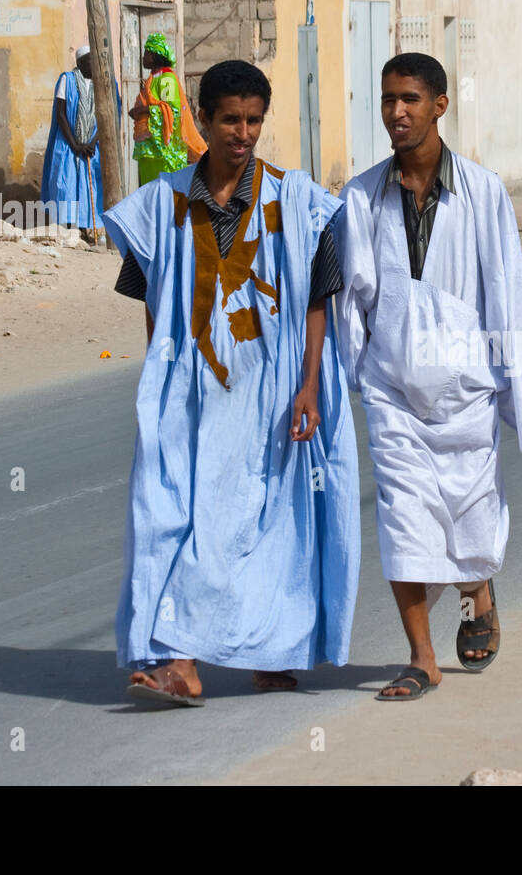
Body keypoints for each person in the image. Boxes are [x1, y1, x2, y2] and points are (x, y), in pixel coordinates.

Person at [103, 59, 361, 706]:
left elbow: (318, 297)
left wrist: (308, 385)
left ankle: (255, 649)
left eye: (253, 121)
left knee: (266, 522)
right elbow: (149, 294)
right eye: (229, 121)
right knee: (166, 516)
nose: (242, 134)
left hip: (272, 395)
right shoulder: (161, 205)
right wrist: (164, 375)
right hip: (188, 395)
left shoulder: (298, 202)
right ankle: (176, 655)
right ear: (204, 120)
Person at [334, 53, 522, 700]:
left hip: (465, 391)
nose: (396, 112)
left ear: (440, 104)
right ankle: (421, 658)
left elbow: (508, 294)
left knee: (471, 520)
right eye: (386, 100)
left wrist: (521, 395)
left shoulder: (483, 191)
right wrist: (348, 375)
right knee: (403, 519)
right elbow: (349, 296)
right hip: (393, 392)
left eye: (409, 99)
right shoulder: (360, 196)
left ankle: (476, 590)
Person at [41, 46, 108, 242]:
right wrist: (76, 144)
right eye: (89, 61)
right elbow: (61, 114)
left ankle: (91, 230)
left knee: (92, 188)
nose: (94, 66)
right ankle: (64, 228)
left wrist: (92, 142)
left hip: (92, 145)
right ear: (79, 63)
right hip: (68, 142)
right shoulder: (67, 80)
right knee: (65, 184)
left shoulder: (102, 83)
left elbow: (108, 116)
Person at [127, 32, 206, 185]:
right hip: (149, 149)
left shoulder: (167, 79)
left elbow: (172, 111)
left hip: (164, 152)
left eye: (146, 54)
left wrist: (143, 111)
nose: (143, 58)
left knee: (165, 192)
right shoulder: (153, 78)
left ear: (155, 55)